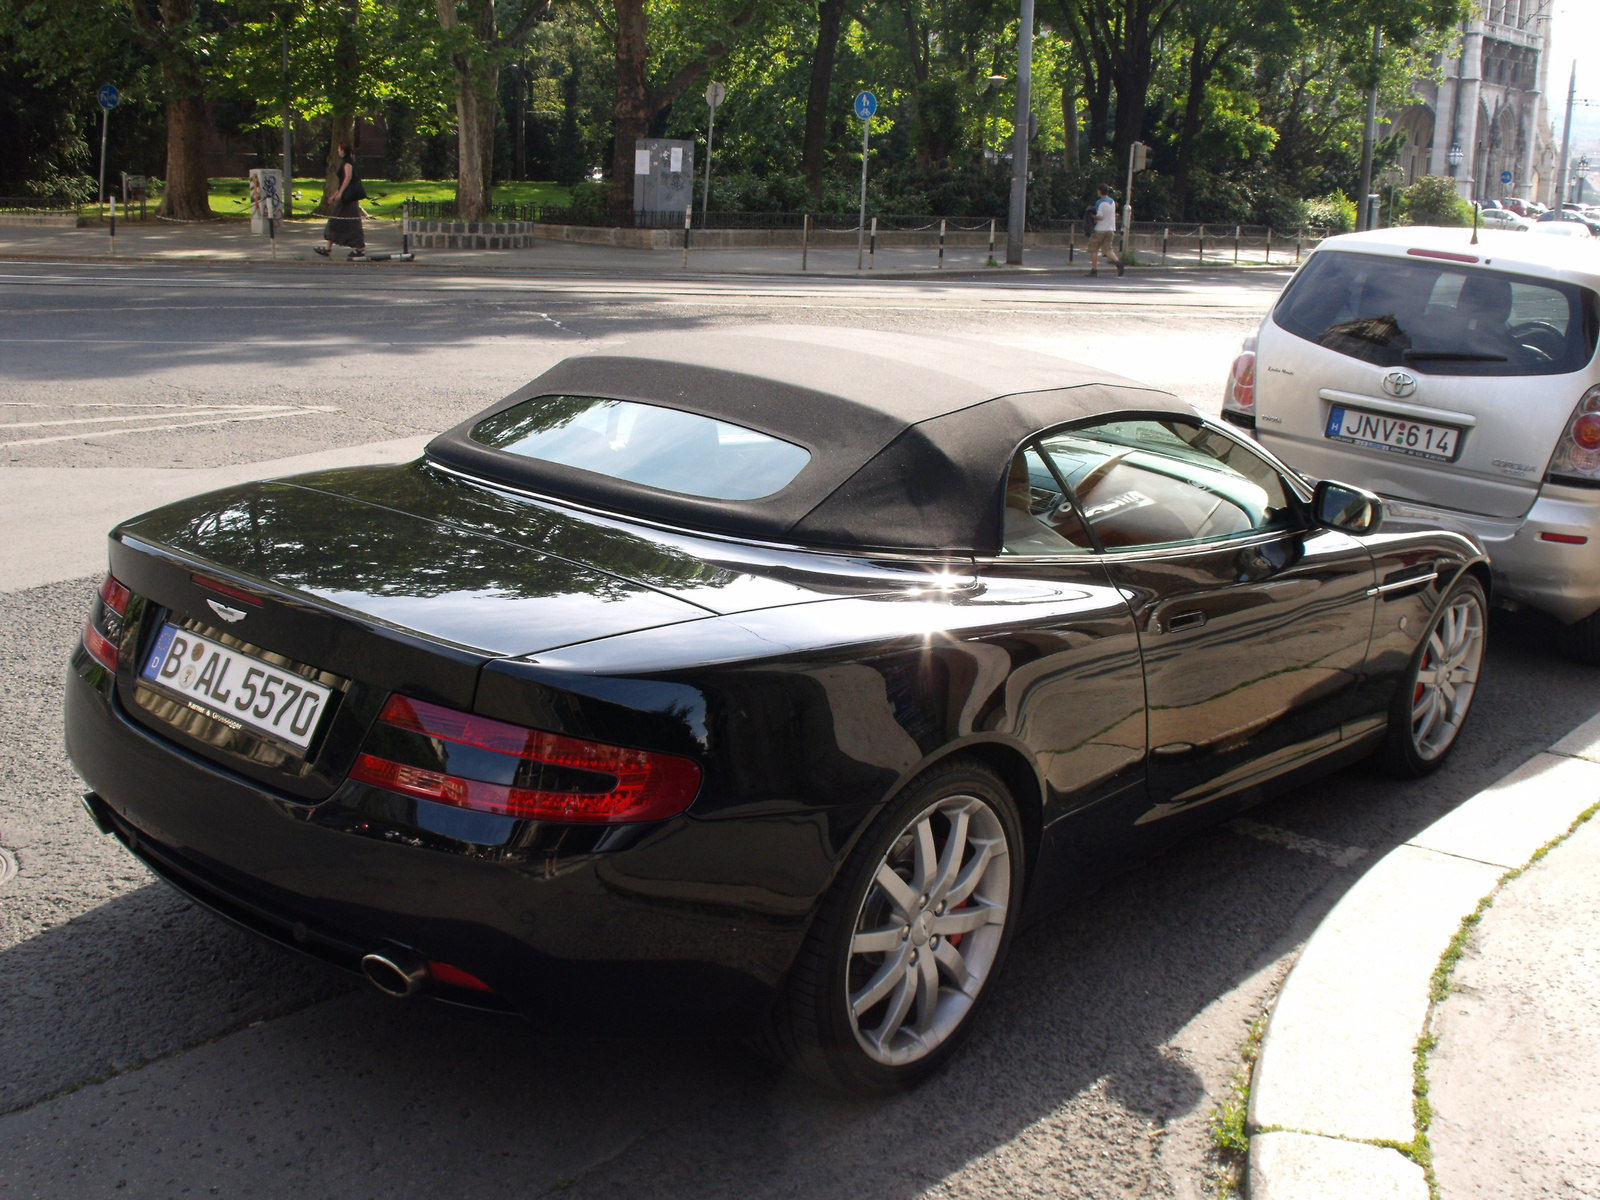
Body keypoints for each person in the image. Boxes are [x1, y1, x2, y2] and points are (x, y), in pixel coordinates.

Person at [314, 142, 367, 261]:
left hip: (348, 198)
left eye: (339, 149)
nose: (338, 151)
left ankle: (358, 248)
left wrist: (341, 193)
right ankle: (329, 248)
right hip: (347, 197)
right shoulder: (346, 161)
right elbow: (343, 181)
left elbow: (348, 178)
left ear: (343, 151)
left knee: (340, 220)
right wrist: (334, 195)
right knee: (344, 221)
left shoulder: (347, 162)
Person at [1087, 184, 1124, 277]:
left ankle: (1094, 270)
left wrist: (1092, 216)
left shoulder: (1100, 202)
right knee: (1107, 249)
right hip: (1111, 229)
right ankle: (1118, 262)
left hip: (1100, 229)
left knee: (1093, 249)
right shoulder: (1112, 202)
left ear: (1099, 191)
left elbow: (1100, 216)